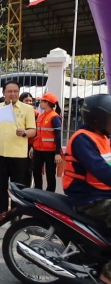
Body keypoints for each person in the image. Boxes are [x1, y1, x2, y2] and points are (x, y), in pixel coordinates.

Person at [62, 94, 111, 284]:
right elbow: (99, 169)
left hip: (102, 192)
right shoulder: (83, 139)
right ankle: (107, 275)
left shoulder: (103, 135)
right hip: (88, 197)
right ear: (97, 119)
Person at [0, 81, 36, 221]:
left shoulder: (27, 109)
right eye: (10, 91)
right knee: (0, 184)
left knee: (16, 186)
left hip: (18, 155)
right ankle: (0, 211)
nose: (13, 94)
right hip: (0, 153)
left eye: (15, 91)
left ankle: (15, 214)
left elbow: (33, 131)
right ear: (3, 93)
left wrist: (24, 132)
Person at [31, 92, 62, 192]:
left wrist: (57, 153)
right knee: (36, 172)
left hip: (50, 151)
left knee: (50, 174)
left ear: (48, 103)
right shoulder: (40, 116)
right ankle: (38, 192)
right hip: (38, 149)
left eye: (42, 101)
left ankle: (50, 195)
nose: (40, 103)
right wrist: (33, 147)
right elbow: (37, 134)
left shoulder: (54, 117)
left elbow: (58, 136)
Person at [20, 92, 37, 187]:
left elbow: (37, 132)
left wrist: (33, 146)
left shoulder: (36, 114)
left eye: (31, 101)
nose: (29, 103)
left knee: (28, 168)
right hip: (18, 144)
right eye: (27, 101)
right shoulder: (17, 113)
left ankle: (26, 190)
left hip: (30, 145)